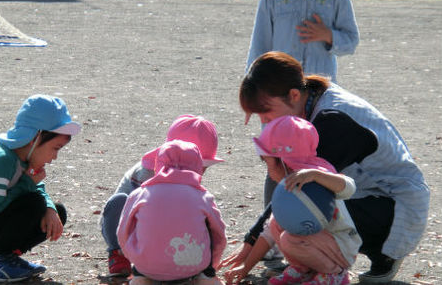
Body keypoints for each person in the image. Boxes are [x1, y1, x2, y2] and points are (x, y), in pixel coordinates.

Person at [220, 51, 430, 283]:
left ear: (293, 95)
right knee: (295, 196)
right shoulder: (309, 102)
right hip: (365, 195)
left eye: (267, 113)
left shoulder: (331, 121)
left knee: (307, 210)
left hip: (394, 209)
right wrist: (251, 246)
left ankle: (344, 267)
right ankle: (311, 263)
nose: (265, 122)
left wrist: (249, 248)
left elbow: (295, 198)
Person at [0, 94, 81, 282]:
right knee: (34, 203)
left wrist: (50, 209)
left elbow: (37, 189)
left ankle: (5, 257)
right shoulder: (3, 161)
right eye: (55, 148)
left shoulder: (23, 157)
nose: (55, 157)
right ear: (35, 138)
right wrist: (28, 184)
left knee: (55, 211)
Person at [223, 115, 361, 285]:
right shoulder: (288, 189)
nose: (268, 171)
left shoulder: (316, 180)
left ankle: (335, 274)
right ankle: (303, 268)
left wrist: (317, 175)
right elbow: (267, 235)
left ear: (284, 162)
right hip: (322, 246)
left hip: (342, 247)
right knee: (275, 224)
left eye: (268, 163)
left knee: (290, 238)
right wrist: (245, 267)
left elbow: (350, 187)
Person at [100, 114, 224, 277]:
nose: (201, 173)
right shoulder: (146, 175)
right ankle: (117, 254)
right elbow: (136, 220)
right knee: (118, 201)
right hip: (130, 225)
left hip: (159, 230)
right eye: (202, 167)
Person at [117, 140, 227, 285]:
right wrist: (211, 265)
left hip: (146, 266)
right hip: (192, 266)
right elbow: (219, 235)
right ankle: (205, 278)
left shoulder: (139, 194)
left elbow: (122, 232)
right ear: (197, 167)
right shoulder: (203, 196)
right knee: (208, 224)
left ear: (158, 165)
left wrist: (134, 257)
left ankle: (141, 279)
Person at [246, 0, 359, 83]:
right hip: (281, 87)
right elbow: (259, 47)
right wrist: (253, 87)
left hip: (320, 89)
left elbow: (351, 42)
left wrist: (328, 35)